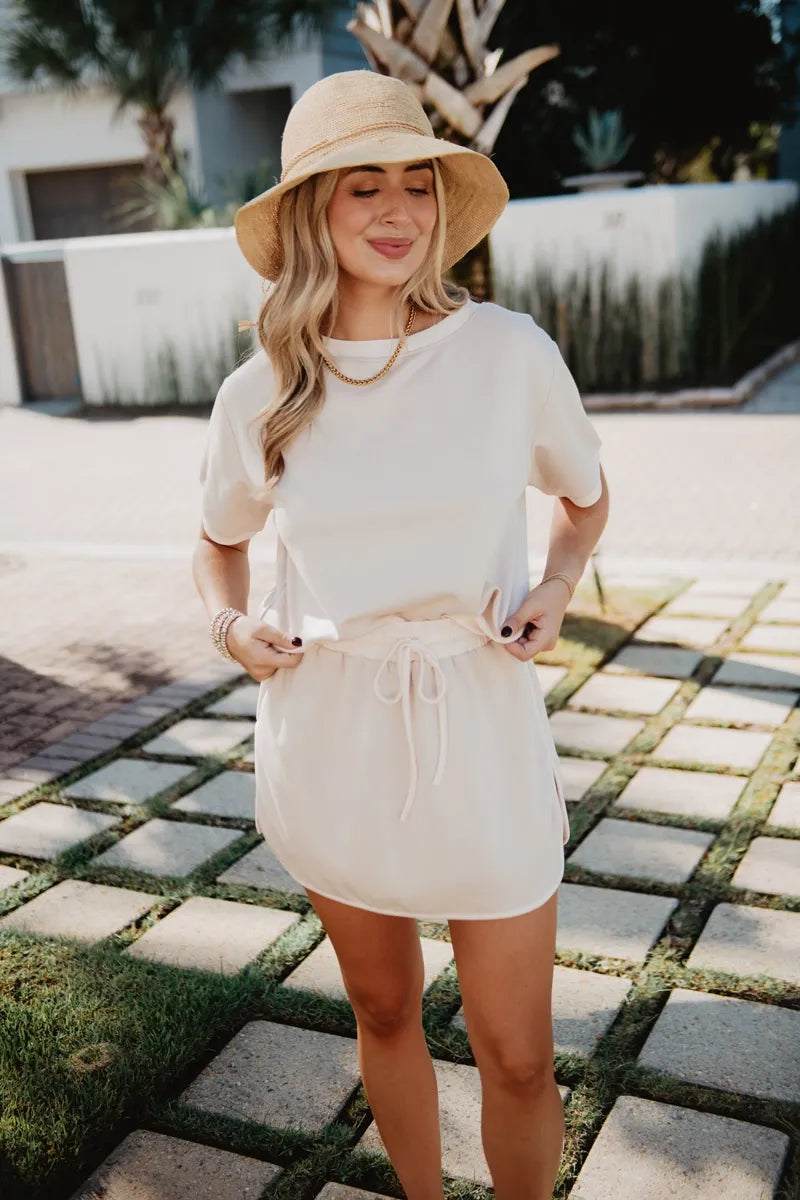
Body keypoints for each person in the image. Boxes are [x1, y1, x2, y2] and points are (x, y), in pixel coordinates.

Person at [193, 69, 608, 1200]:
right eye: (358, 187)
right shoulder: (261, 392)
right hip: (330, 728)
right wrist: (233, 628)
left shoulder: (507, 352)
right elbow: (215, 543)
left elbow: (583, 497)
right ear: (309, 216)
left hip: (478, 726)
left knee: (517, 1052)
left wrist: (557, 587)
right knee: (381, 1009)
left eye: (414, 187)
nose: (394, 212)